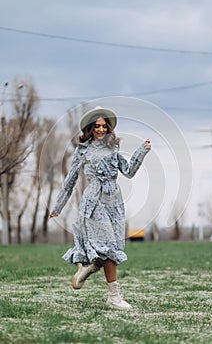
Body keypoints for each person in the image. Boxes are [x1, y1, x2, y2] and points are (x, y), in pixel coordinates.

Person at [49, 106, 151, 310]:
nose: (101, 129)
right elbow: (70, 180)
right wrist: (58, 206)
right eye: (97, 126)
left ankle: (86, 270)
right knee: (109, 248)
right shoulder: (83, 151)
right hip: (94, 203)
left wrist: (142, 151)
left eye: (105, 126)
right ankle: (114, 297)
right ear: (90, 128)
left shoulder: (114, 148)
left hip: (113, 202)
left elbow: (129, 172)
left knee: (107, 250)